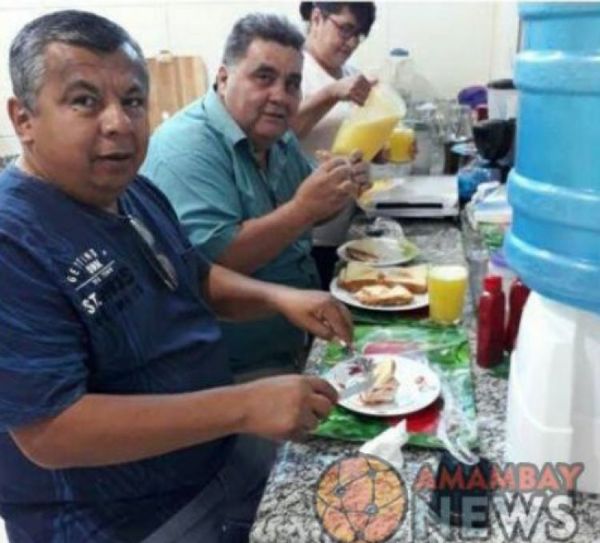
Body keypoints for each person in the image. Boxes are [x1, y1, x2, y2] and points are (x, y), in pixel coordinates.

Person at [0, 10, 353, 543]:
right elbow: (51, 433)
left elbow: (189, 273)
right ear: (23, 119)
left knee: (361, 483)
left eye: (133, 100)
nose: (119, 122)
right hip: (129, 517)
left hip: (214, 451)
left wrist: (280, 298)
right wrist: (246, 404)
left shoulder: (133, 191)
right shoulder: (14, 240)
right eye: (84, 100)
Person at [142, 14, 368, 378]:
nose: (280, 96)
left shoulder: (277, 139)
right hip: (231, 375)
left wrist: (341, 187)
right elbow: (211, 266)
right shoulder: (186, 148)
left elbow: (316, 210)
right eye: (264, 78)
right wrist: (302, 209)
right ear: (224, 77)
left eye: (292, 84)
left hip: (295, 345)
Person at [291, 2, 377, 289]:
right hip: (308, 232)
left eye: (359, 35)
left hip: (344, 223)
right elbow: (282, 134)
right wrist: (331, 93)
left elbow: (348, 137)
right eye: (346, 29)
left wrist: (380, 150)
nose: (352, 42)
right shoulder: (295, 70)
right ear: (317, 17)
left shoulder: (349, 71)